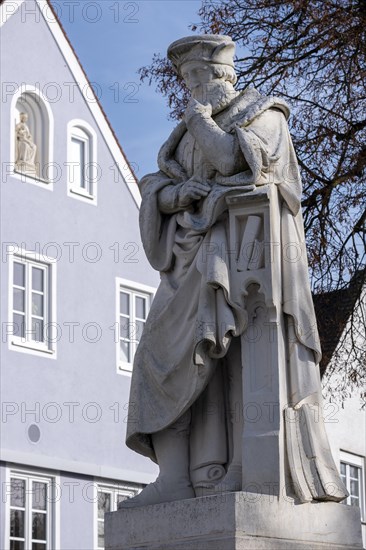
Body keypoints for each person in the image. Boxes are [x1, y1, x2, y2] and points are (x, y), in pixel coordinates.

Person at [121, 35, 347, 508]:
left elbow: (233, 161)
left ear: (225, 76)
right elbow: (159, 184)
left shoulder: (265, 116)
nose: (193, 88)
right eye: (187, 80)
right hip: (188, 260)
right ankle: (178, 478)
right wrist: (172, 197)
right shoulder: (184, 133)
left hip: (245, 262)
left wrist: (200, 123)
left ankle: (238, 469)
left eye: (201, 77)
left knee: (238, 356)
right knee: (157, 359)